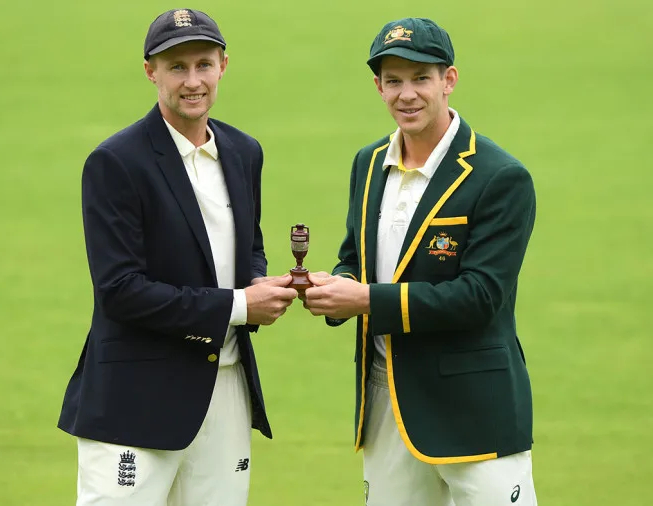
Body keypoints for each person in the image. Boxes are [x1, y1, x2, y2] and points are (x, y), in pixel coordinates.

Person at [57, 8, 298, 506]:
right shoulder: (116, 162)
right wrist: (238, 306)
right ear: (151, 71)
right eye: (177, 67)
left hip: (225, 390)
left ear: (224, 65)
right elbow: (120, 290)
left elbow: (245, 246)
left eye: (204, 65)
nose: (193, 81)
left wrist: (260, 285)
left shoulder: (242, 151)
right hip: (136, 398)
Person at [303, 17, 538, 506]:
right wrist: (336, 291)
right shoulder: (368, 164)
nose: (406, 94)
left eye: (420, 78)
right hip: (386, 405)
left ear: (448, 80)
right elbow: (356, 258)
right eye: (393, 81)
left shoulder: (501, 177)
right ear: (378, 86)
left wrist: (364, 299)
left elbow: (479, 298)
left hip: (475, 412)